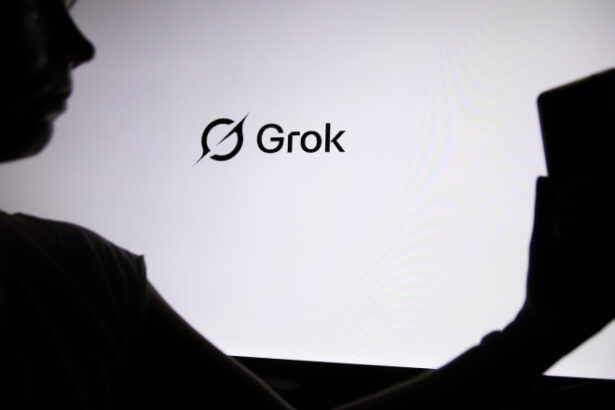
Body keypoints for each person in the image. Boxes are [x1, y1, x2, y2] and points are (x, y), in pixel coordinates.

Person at [1, 1, 613, 408]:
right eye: (35, 4)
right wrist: (539, 335)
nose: (81, 45)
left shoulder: (83, 277)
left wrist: (538, 333)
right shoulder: (72, 277)